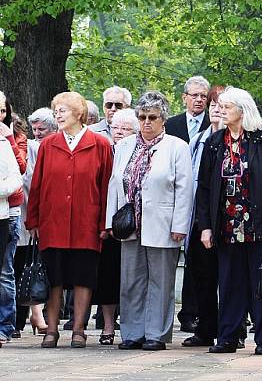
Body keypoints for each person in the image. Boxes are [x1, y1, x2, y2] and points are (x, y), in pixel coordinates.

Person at [197, 86, 262, 356]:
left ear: (243, 110)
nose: (222, 111)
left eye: (227, 107)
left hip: (259, 223)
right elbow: (204, 188)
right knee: (229, 283)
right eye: (221, 107)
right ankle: (227, 336)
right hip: (226, 225)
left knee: (261, 283)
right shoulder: (216, 142)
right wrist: (204, 226)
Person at [106, 91, 193, 351]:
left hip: (163, 222)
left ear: (162, 119)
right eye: (142, 117)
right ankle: (132, 332)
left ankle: (156, 333)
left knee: (160, 281)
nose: (146, 122)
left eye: (152, 117)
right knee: (131, 280)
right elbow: (114, 183)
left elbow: (184, 188)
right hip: (129, 223)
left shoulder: (177, 147)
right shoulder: (124, 146)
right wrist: (111, 220)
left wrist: (180, 225)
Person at [26, 91, 113, 348]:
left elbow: (107, 186)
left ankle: (78, 330)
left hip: (86, 222)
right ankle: (51, 330)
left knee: (83, 277)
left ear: (78, 112)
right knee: (55, 277)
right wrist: (33, 221)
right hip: (53, 222)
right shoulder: (49, 144)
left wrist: (103, 224)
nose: (58, 115)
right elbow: (38, 185)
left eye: (62, 110)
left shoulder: (100, 144)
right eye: (56, 111)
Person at [165, 75, 211, 332]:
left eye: (203, 96)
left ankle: (192, 312)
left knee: (197, 261)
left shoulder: (213, 125)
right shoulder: (171, 125)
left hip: (199, 203)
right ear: (184, 97)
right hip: (173, 201)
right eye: (194, 95)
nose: (199, 100)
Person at [182, 84, 225, 349]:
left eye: (222, 106)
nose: (217, 111)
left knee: (230, 278)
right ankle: (206, 328)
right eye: (213, 106)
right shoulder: (198, 140)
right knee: (203, 276)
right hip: (201, 218)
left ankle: (233, 328)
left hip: (232, 220)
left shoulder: (244, 141)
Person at [93, 108, 139, 345]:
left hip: (134, 222)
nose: (119, 132)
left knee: (132, 277)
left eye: (126, 128)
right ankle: (108, 325)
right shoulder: (103, 150)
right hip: (109, 222)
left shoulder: (138, 151)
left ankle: (132, 325)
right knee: (108, 276)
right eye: (116, 128)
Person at [14, 108, 56, 338]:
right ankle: (26, 317)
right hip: (21, 214)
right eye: (35, 129)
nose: (38, 133)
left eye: (43, 129)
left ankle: (36, 314)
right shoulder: (29, 147)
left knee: (34, 265)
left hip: (37, 215)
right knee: (21, 265)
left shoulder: (43, 149)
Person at [0, 98, 27, 345]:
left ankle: (5, 325)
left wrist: (8, 138)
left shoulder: (11, 136)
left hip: (8, 211)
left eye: (2, 110)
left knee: (5, 270)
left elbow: (20, 170)